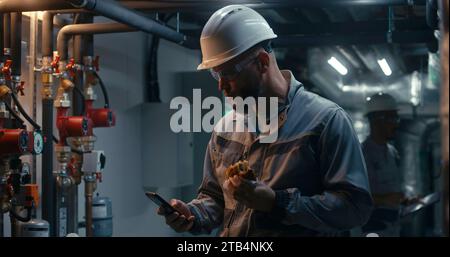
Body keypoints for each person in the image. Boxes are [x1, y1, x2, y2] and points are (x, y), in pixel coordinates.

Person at [156, 5, 373, 236]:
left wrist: (277, 203)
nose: (220, 86)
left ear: (261, 62)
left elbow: (354, 208)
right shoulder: (225, 129)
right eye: (216, 75)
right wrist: (193, 214)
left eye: (228, 73)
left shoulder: (326, 121)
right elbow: (216, 197)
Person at [360, 92, 408, 236]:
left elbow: (392, 189)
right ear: (376, 120)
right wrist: (386, 199)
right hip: (372, 230)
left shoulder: (393, 152)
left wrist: (405, 201)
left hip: (392, 229)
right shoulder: (361, 154)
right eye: (392, 118)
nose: (396, 123)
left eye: (396, 118)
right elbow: (353, 197)